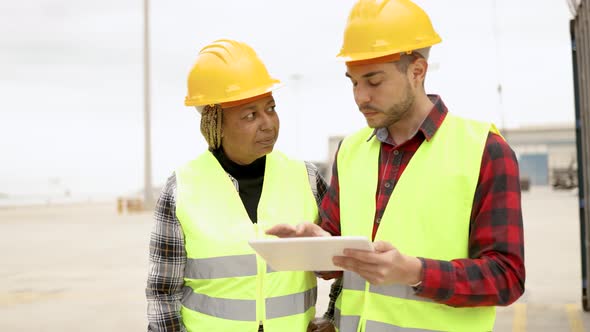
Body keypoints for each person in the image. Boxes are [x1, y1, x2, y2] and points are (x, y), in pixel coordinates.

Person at [266, 0, 526, 331]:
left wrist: (415, 271)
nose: (360, 96)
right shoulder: (351, 150)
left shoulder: (485, 151)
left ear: (417, 71)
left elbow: (507, 277)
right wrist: (316, 245)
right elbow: (339, 263)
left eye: (373, 81)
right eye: (353, 82)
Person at [145, 39, 330, 332]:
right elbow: (162, 293)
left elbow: (348, 263)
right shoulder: (181, 189)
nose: (268, 123)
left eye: (271, 108)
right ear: (214, 123)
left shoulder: (306, 178)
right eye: (250, 115)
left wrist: (331, 318)